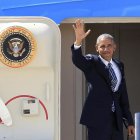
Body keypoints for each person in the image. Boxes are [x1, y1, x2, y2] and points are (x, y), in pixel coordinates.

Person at [71, 19, 135, 140]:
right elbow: (78, 60)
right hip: (97, 120)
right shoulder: (92, 62)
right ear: (97, 48)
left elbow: (123, 96)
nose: (106, 49)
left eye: (109, 45)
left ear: (114, 47)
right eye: (102, 46)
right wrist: (78, 41)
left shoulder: (119, 65)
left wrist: (129, 122)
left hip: (116, 120)